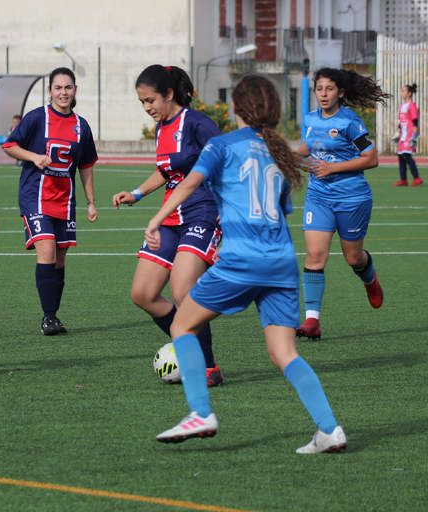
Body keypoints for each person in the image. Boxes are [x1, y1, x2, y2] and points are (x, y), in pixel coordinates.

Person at [145, 75, 346, 453]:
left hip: (243, 259)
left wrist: (157, 217)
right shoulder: (281, 152)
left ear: (236, 108)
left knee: (182, 324)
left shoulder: (222, 145)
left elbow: (189, 184)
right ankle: (330, 429)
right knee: (285, 353)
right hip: (282, 262)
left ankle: (200, 412)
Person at [113, 65, 223, 387]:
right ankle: (186, 342)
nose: (147, 108)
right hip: (171, 217)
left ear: (169, 94)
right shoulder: (162, 128)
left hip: (203, 213)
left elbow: (225, 161)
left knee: (182, 290)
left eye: (150, 100)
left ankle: (207, 367)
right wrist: (136, 193)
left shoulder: (199, 124)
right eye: (142, 102)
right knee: (143, 294)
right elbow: (165, 171)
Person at [296, 68, 389, 341]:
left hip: (352, 198)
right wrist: (286, 154)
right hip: (318, 196)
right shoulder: (310, 119)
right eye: (319, 89)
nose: (323, 94)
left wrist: (332, 168)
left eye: (329, 89)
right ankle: (312, 321)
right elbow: (306, 148)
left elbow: (371, 158)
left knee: (353, 258)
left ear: (341, 93)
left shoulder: (350, 121)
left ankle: (369, 278)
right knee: (315, 256)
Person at [3, 67, 98, 335]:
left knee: (60, 259)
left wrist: (91, 201)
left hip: (65, 201)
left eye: (68, 87)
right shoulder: (36, 118)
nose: (63, 92)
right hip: (36, 197)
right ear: (50, 91)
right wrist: (33, 157)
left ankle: (53, 315)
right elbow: (10, 146)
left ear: (75, 90)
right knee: (46, 250)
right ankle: (47, 318)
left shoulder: (82, 126)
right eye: (58, 88)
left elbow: (87, 165)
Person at [394, 83, 422, 187]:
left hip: (409, 135)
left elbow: (415, 121)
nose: (402, 93)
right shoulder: (402, 106)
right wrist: (398, 132)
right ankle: (403, 180)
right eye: (402, 90)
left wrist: (414, 136)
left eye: (404, 91)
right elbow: (401, 121)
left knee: (407, 156)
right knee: (401, 156)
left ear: (409, 93)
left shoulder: (412, 105)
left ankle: (417, 178)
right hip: (403, 136)